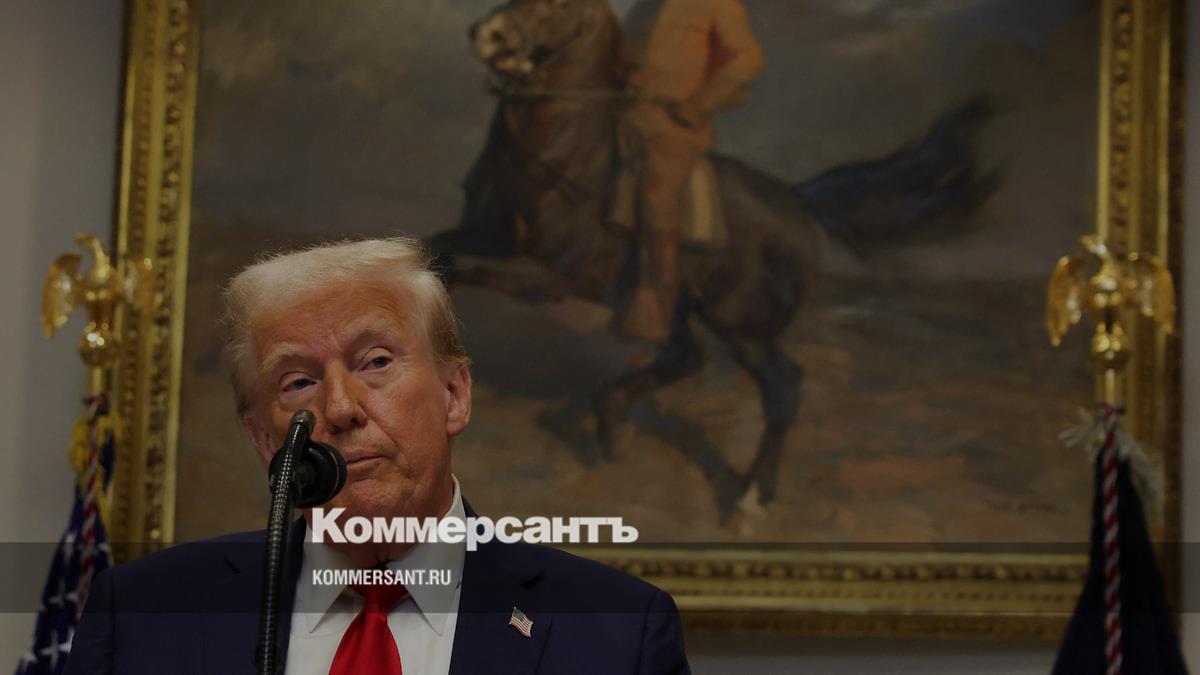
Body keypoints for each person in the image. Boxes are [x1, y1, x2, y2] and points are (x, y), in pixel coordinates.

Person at [64, 238, 689, 674]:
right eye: (298, 381)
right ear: (264, 439)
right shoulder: (141, 616)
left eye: (376, 362)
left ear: (454, 394)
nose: (340, 408)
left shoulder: (617, 632)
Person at [620, 0, 765, 342]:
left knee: (657, 197)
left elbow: (748, 59)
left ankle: (656, 310)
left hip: (673, 127)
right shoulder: (645, 6)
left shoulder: (719, 5)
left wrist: (699, 105)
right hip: (625, 116)